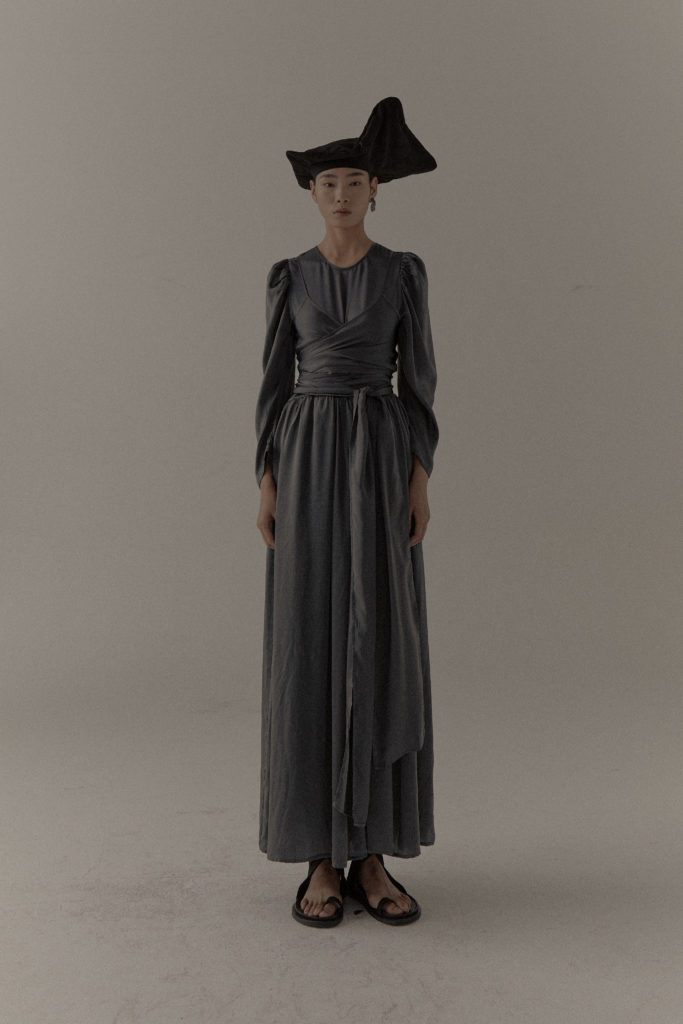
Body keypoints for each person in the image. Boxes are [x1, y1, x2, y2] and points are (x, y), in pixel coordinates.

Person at [255, 98, 439, 927]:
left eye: (353, 181)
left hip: (379, 454)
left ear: (374, 191)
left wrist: (418, 479)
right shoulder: (289, 276)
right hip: (304, 458)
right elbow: (272, 382)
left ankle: (371, 855)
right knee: (310, 633)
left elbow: (419, 381)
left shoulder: (402, 273)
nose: (340, 194)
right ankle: (319, 859)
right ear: (311, 192)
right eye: (327, 182)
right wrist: (265, 479)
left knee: (382, 637)